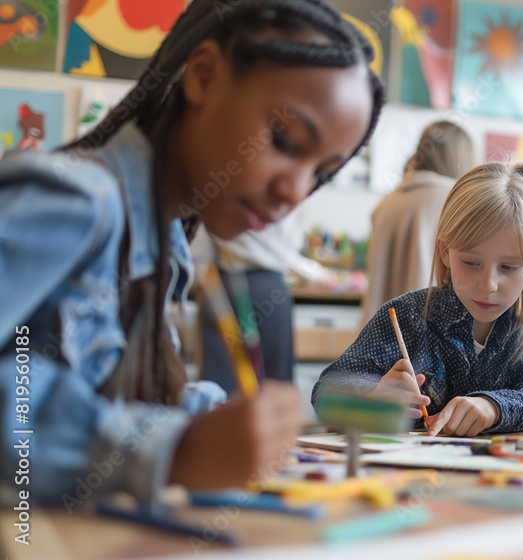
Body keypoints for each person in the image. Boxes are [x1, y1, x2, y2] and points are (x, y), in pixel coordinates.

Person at [0, 0, 384, 507]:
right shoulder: (78, 199)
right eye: (286, 140)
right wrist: (173, 449)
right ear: (204, 76)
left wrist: (216, 421)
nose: (295, 191)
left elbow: (112, 395)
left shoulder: (167, 246)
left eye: (322, 173)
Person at [313, 160, 523, 437]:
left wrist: (495, 407)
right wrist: (372, 396)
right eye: (470, 263)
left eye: (508, 267)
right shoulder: (406, 317)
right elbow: (325, 394)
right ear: (445, 251)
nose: (488, 285)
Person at [193, 209, 331, 395]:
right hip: (267, 287)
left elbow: (200, 250)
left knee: (222, 383)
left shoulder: (219, 198)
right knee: (275, 382)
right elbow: (291, 243)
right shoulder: (284, 199)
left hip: (225, 284)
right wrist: (311, 270)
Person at [361, 120, 476, 322]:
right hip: (428, 332)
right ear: (462, 157)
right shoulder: (460, 202)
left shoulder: (385, 203)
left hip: (380, 331)